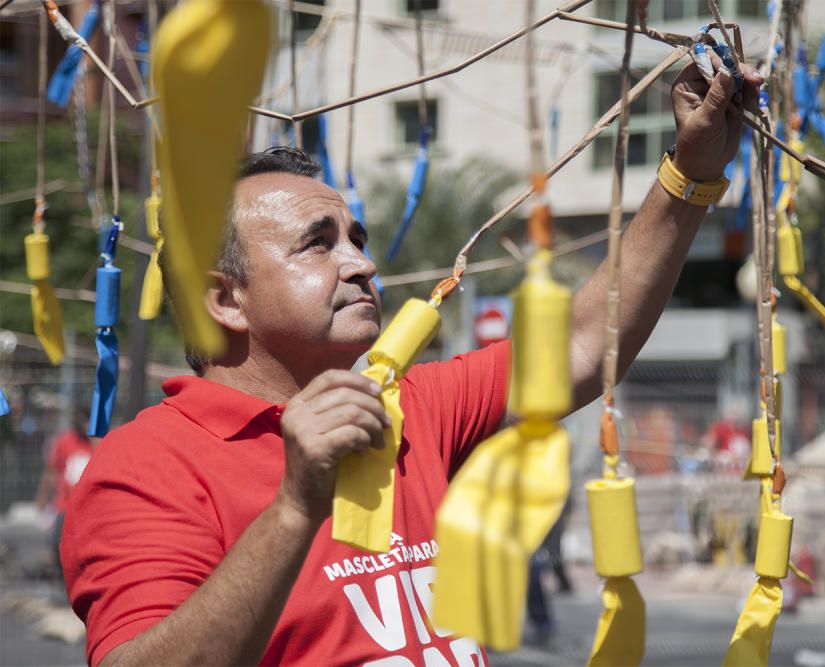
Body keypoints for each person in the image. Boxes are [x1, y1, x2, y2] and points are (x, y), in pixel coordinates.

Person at [61, 59, 763, 666]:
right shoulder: (146, 465)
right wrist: (295, 505)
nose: (362, 264)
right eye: (318, 244)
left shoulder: (409, 404)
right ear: (226, 298)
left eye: (357, 238)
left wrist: (692, 169)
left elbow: (582, 346)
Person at [34, 409, 95, 578]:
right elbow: (51, 472)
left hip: (89, 507)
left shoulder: (96, 443)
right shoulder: (65, 442)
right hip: (64, 505)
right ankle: (63, 579)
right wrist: (42, 500)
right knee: (58, 544)